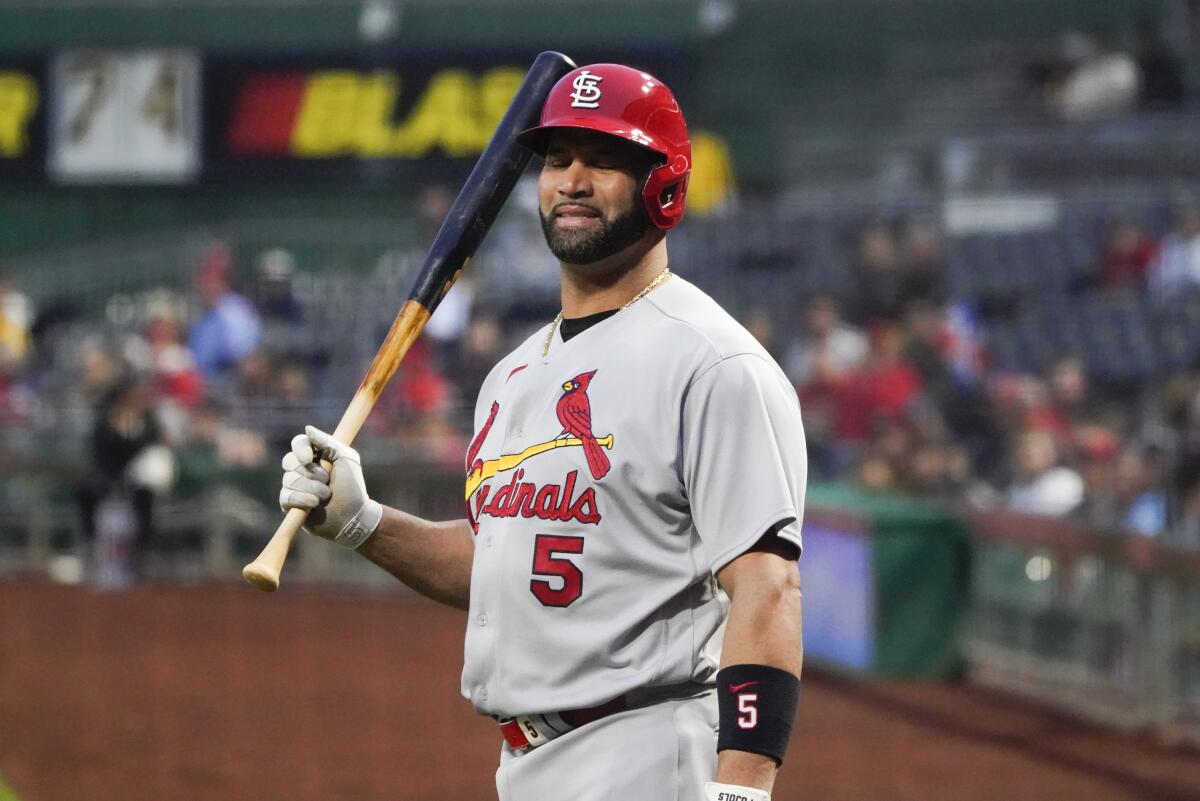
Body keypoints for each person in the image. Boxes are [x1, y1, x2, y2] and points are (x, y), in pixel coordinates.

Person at [277, 64, 806, 801]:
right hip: (529, 762)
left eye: (605, 158)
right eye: (558, 159)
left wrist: (742, 793)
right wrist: (365, 523)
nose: (573, 180)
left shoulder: (713, 364)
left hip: (648, 749)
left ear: (666, 182)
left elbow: (768, 586)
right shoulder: (514, 375)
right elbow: (508, 563)